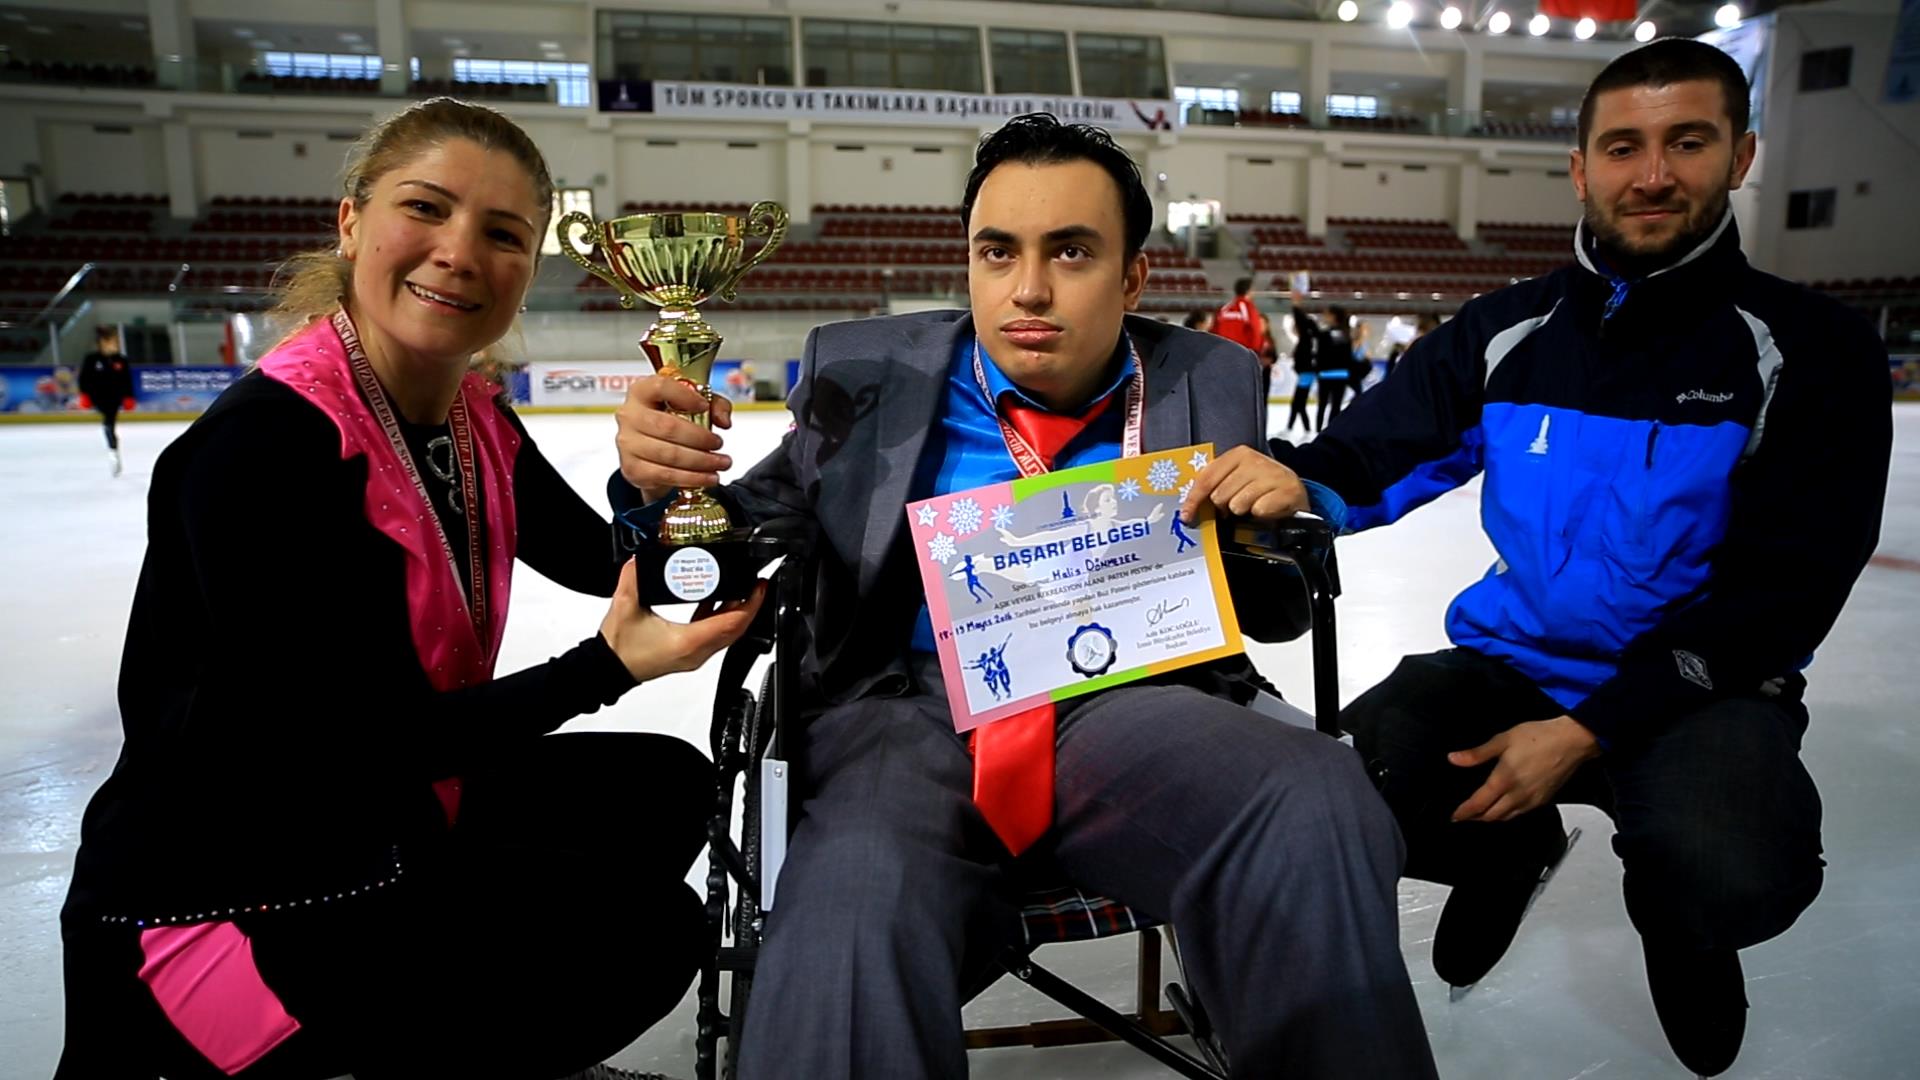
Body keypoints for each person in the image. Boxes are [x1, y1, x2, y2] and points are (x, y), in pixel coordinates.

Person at [614, 112, 1435, 1079]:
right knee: (854, 906)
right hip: (901, 711)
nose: (1028, 289)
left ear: (1133, 277)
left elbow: (1276, 604)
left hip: (1124, 701)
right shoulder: (866, 375)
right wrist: (658, 487)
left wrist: (1286, 507)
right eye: (997, 252)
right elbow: (736, 530)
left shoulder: (1207, 378)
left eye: (1071, 252)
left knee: (1314, 794)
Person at [56, 98, 762, 1080]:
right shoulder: (261, 449)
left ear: (528, 268)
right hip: (216, 905)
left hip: (367, 825)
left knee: (662, 787)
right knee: (642, 932)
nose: (459, 252)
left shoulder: (472, 415)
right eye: (425, 208)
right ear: (352, 222)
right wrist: (601, 669)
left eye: (503, 234)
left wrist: (657, 490)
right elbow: (354, 747)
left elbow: (603, 559)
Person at [1262, 40, 1892, 1077]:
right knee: (1346, 790)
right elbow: (1371, 455)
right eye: (1623, 147)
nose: (1653, 174)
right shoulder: (1507, 330)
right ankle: (1507, 856)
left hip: (1703, 689)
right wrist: (1290, 486)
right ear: (1581, 169)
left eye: (1688, 142)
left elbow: (1785, 592)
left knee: (1731, 869)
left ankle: (1685, 927)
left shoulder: (1812, 348)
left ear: (1740, 156)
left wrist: (1589, 730)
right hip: (1515, 665)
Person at [77, 324, 135, 476]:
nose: (115, 345)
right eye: (112, 342)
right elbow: (84, 378)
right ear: (102, 343)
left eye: (116, 342)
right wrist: (84, 395)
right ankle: (112, 444)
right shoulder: (91, 359)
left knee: (109, 424)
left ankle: (113, 449)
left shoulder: (121, 360)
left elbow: (127, 380)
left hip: (114, 398)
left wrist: (129, 396)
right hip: (97, 397)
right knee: (108, 424)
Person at [1313, 305, 1353, 429]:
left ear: (1333, 316)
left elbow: (1319, 355)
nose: (1324, 317)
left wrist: (1317, 370)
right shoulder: (1346, 335)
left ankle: (1318, 432)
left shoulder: (1324, 335)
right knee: (1336, 406)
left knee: (1322, 405)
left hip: (1325, 374)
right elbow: (1348, 356)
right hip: (1341, 374)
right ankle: (1331, 431)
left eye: (1327, 314)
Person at [1285, 305, 1320, 435]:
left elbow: (1302, 321)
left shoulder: (1306, 339)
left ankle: (1302, 429)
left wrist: (1296, 307)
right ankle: (1301, 428)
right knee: (1298, 403)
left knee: (1298, 403)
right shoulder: (1308, 340)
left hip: (1306, 374)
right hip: (1306, 374)